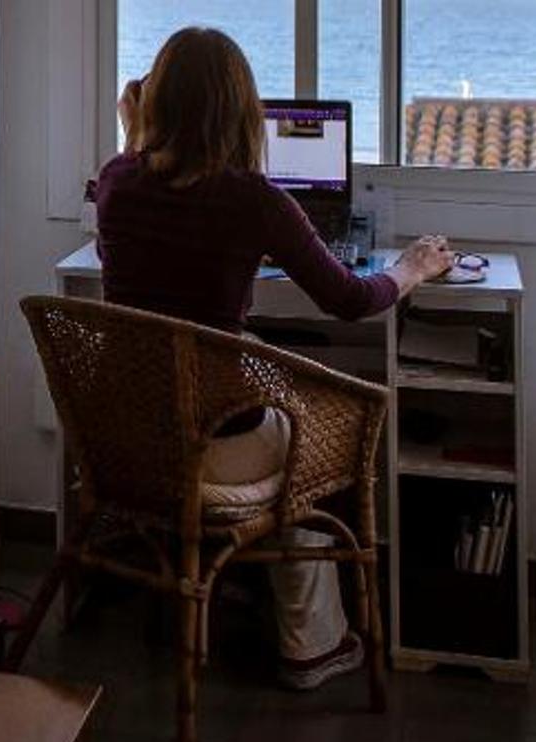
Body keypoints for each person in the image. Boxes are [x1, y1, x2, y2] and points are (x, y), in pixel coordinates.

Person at [96, 27, 454, 690]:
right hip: (215, 446)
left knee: (263, 374)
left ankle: (236, 589)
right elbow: (350, 298)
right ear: (241, 110)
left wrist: (133, 131)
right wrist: (410, 269)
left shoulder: (117, 183)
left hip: (132, 436)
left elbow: (138, 177)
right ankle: (309, 643)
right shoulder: (254, 201)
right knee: (319, 431)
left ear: (155, 103)